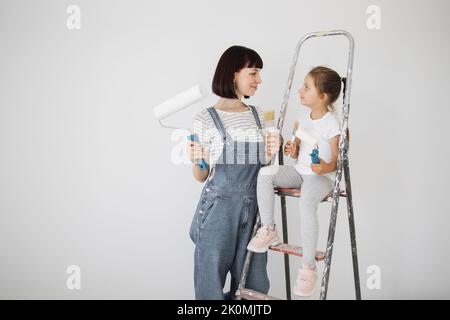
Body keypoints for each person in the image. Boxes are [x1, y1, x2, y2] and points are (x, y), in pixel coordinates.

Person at [186, 45, 280, 300]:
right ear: (232, 74)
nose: (259, 80)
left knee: (254, 288)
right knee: (210, 290)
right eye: (253, 73)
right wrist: (198, 160)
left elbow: (264, 164)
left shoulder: (259, 115)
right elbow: (201, 176)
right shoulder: (205, 118)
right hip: (218, 211)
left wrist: (273, 150)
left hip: (255, 210)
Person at [246, 66, 344, 297]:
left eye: (307, 87)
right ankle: (268, 228)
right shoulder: (301, 120)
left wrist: (325, 166)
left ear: (323, 96)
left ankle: (308, 266)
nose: (300, 90)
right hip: (300, 171)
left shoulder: (332, 123)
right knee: (265, 174)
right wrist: (293, 149)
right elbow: (296, 151)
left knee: (306, 201)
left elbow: (337, 161)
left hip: (321, 177)